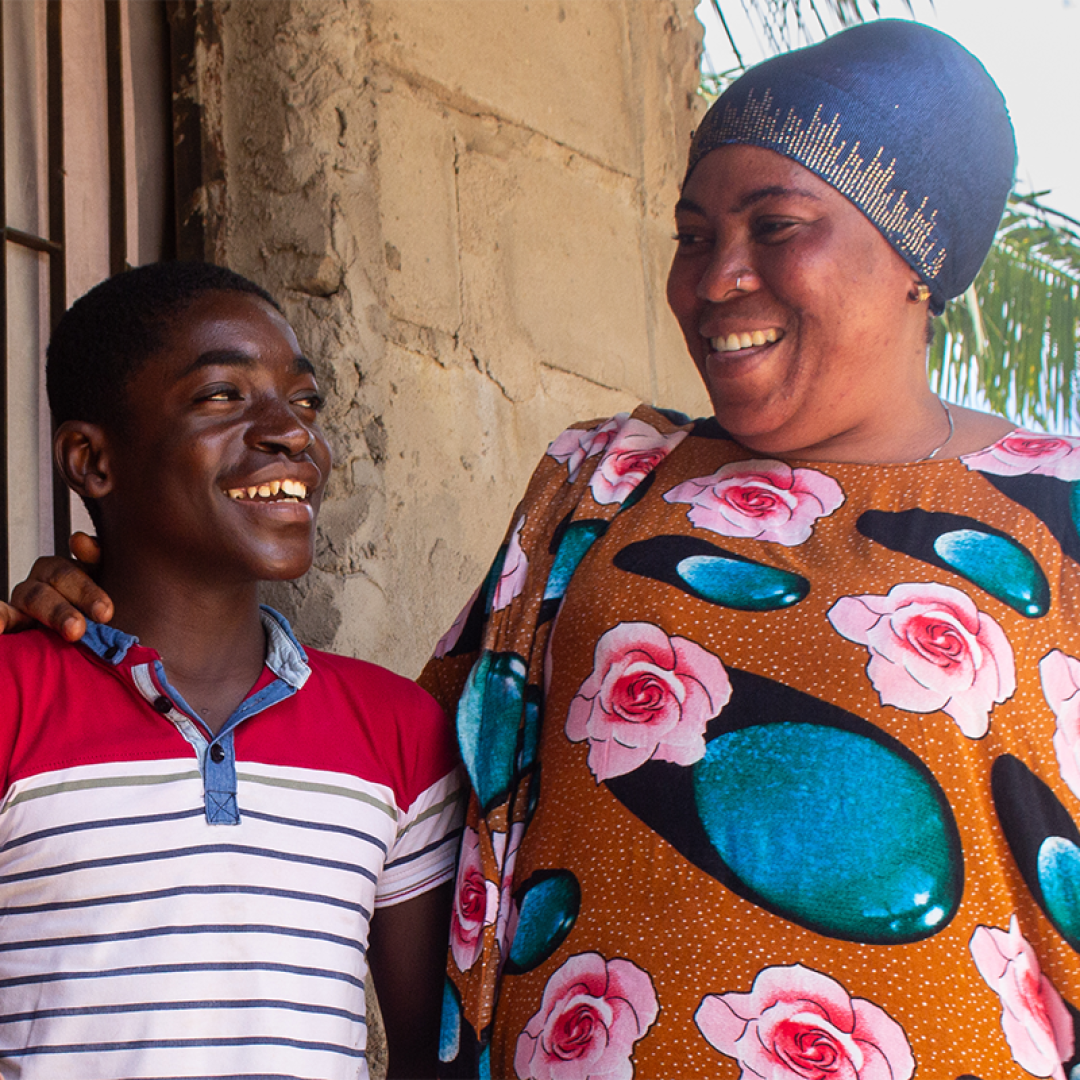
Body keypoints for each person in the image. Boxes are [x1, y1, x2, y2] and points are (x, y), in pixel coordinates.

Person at [8, 19, 1080, 1079]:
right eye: (694, 233)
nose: (715, 280)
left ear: (916, 259)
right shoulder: (607, 479)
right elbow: (458, 761)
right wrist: (94, 612)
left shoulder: (1057, 516)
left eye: (776, 225)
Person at [0, 263, 461, 1080]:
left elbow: (433, 1059)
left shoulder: (398, 731)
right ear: (91, 462)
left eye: (306, 401)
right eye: (223, 395)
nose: (294, 432)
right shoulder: (14, 698)